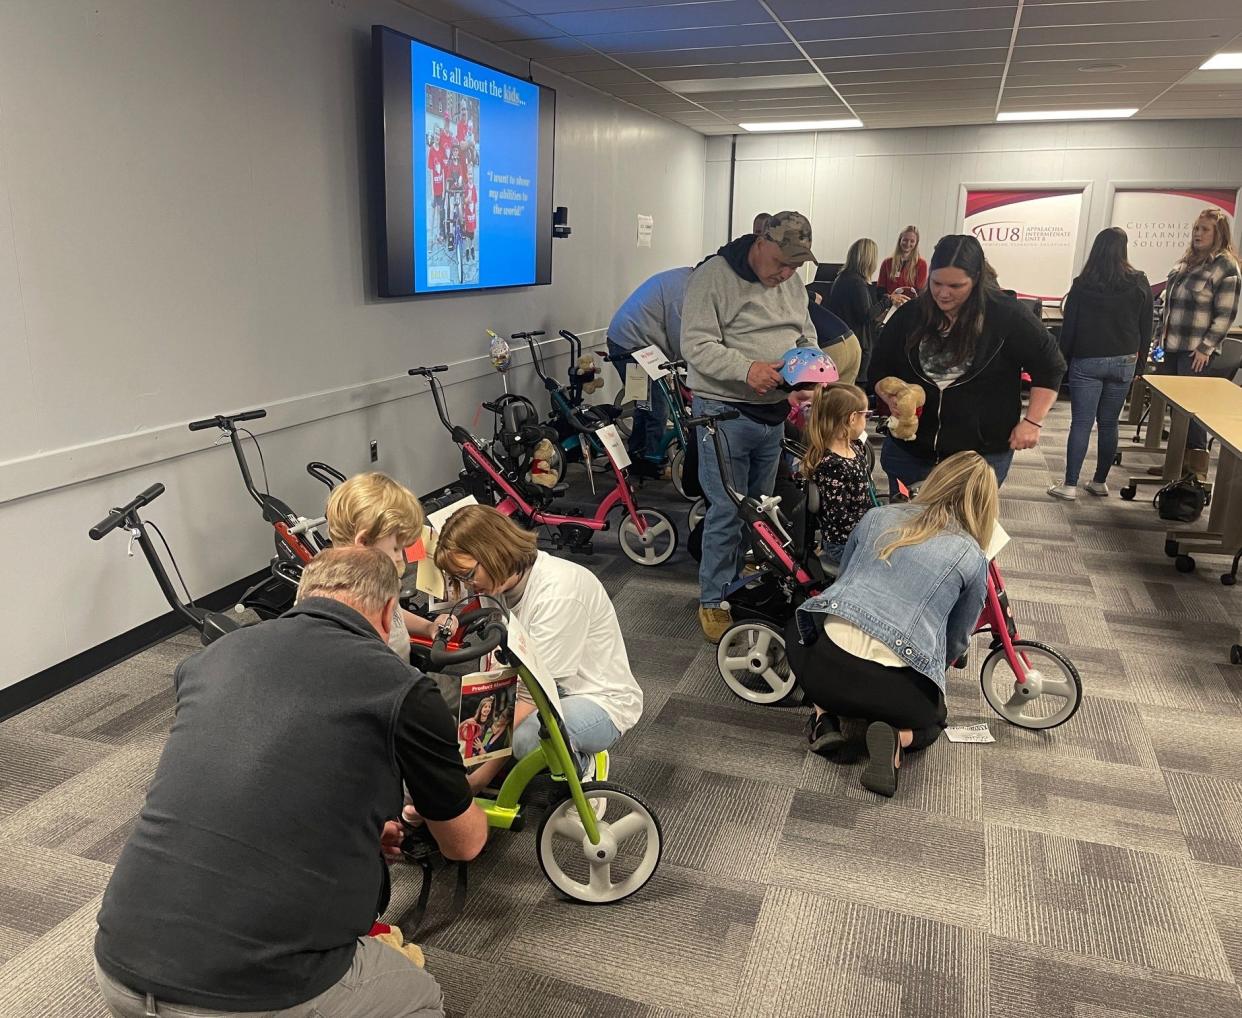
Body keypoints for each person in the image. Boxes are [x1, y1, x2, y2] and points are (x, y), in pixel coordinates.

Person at [93, 547, 488, 1018]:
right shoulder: (399, 686)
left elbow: (246, 780)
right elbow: (462, 845)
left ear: (304, 593)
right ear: (388, 613)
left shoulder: (212, 658)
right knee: (423, 998)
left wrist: (353, 827)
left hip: (118, 962)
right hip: (252, 991)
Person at [788, 451, 996, 797]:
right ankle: (899, 738)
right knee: (935, 717)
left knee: (798, 628)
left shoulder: (876, 516)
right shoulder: (971, 556)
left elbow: (845, 576)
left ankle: (824, 716)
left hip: (823, 670)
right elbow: (958, 638)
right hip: (894, 696)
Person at [432, 505, 642, 794]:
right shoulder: (497, 583)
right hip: (534, 688)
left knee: (526, 739)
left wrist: (478, 777)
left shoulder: (559, 592)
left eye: (468, 575)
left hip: (596, 699)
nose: (469, 586)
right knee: (457, 717)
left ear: (493, 552)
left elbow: (533, 695)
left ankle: (583, 765)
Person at [681, 210, 818, 642]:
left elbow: (805, 335)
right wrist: (747, 369)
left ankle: (744, 577)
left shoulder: (791, 282)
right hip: (724, 412)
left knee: (762, 507)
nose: (786, 274)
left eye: (796, 266)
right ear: (761, 241)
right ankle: (713, 598)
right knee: (727, 510)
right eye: (780, 263)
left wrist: (805, 372)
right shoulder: (713, 277)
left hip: (772, 413)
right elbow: (696, 345)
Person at [869, 234, 1066, 493]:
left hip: (979, 457)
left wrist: (1033, 421)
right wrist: (888, 393)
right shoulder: (910, 315)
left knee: (966, 532)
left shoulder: (1007, 315)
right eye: (937, 283)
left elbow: (1050, 365)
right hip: (911, 452)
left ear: (976, 280)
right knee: (906, 528)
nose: (943, 293)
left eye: (956, 286)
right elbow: (879, 368)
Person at [1047, 227, 1152, 501]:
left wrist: (1061, 363)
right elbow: (1146, 328)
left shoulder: (1082, 284)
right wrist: (1139, 368)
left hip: (1088, 360)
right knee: (1109, 423)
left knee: (1081, 423)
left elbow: (1069, 328)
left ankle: (1069, 485)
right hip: (1124, 361)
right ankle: (1099, 482)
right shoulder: (1140, 282)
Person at [1150, 207, 1241, 478]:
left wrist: (1205, 348)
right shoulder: (1186, 263)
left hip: (1195, 351)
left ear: (1218, 234)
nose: (1198, 234)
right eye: (1196, 229)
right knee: (1174, 409)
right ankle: (1174, 463)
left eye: (1205, 229)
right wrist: (1158, 341)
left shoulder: (1225, 266)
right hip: (1170, 346)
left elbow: (1225, 315)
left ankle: (1196, 470)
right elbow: (1167, 308)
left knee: (1192, 411)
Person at [326, 471, 445, 661]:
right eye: (396, 549)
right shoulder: (346, 607)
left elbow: (393, 613)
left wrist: (427, 627)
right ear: (364, 543)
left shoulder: (375, 580)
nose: (401, 558)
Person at [606, 265, 693, 471]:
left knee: (646, 404)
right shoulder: (682, 290)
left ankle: (639, 453)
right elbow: (680, 338)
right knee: (656, 406)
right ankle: (651, 459)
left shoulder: (686, 280)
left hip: (644, 344)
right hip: (630, 343)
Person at [800, 383, 873, 567]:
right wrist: (873, 525)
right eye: (866, 415)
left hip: (862, 533)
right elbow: (839, 517)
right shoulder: (832, 465)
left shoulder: (856, 447)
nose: (867, 420)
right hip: (842, 544)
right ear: (852, 418)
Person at [827, 238, 910, 390]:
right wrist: (889, 301)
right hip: (858, 343)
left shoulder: (842, 278)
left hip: (844, 339)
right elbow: (866, 315)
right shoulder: (857, 282)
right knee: (857, 390)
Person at [808, 295, 862, 385]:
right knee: (843, 397)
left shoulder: (783, 292)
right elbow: (818, 298)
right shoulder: (797, 290)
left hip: (829, 347)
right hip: (850, 339)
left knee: (812, 396)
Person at [878, 226, 928, 295]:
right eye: (905, 240)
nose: (908, 244)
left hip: (910, 304)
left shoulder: (921, 264)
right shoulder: (887, 263)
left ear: (916, 243)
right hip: (889, 304)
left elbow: (920, 292)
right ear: (900, 240)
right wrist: (891, 299)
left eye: (912, 241)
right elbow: (880, 290)